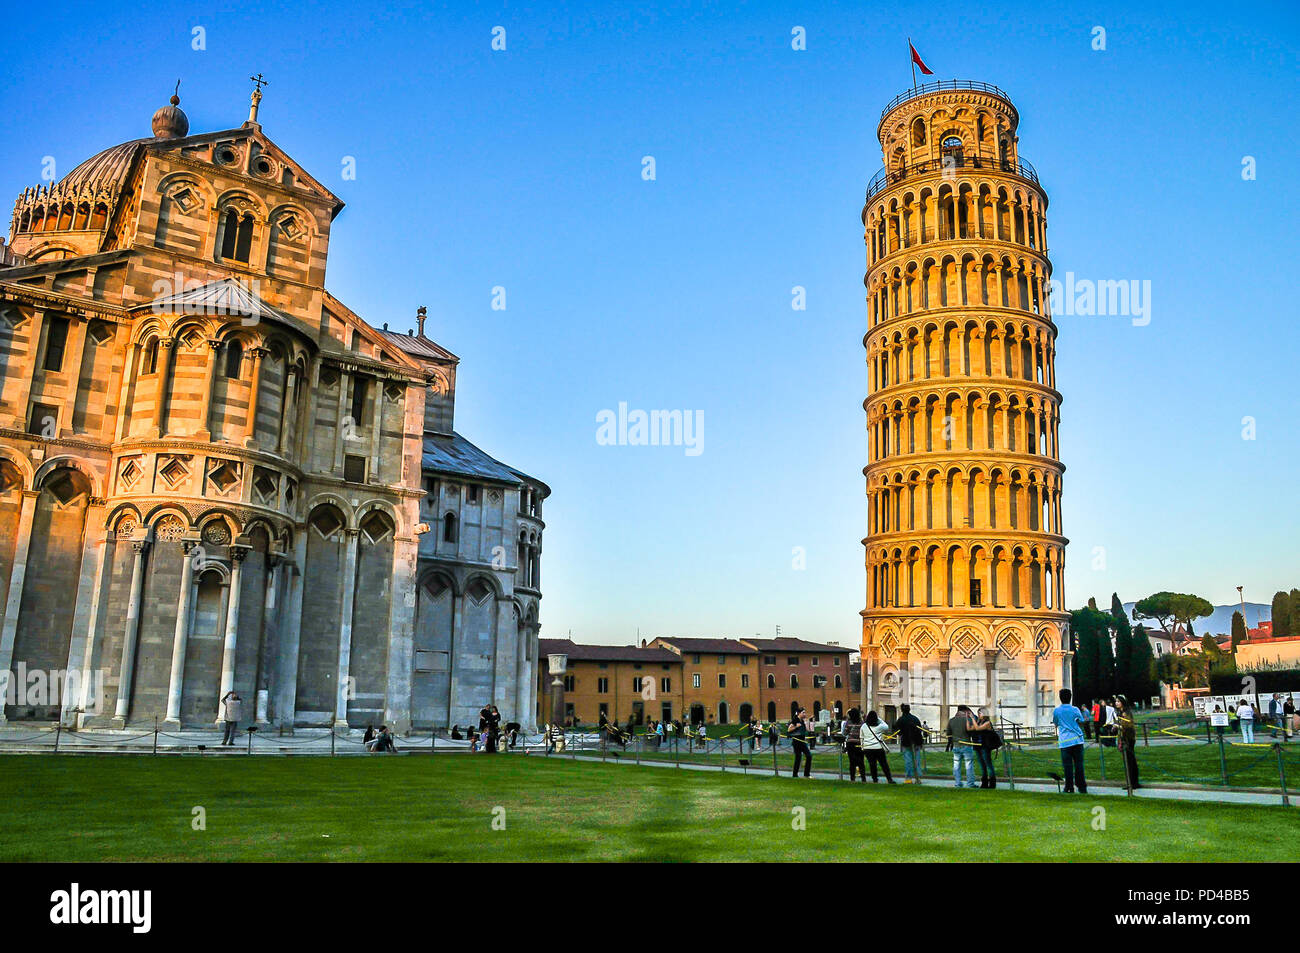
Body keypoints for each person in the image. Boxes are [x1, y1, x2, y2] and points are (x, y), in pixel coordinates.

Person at [1052, 688, 1088, 793]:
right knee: (1079, 764)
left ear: (1060, 698)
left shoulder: (1057, 710)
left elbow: (1056, 723)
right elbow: (1081, 721)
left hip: (1065, 741)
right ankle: (1082, 787)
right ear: (1070, 697)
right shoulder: (1075, 709)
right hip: (1077, 740)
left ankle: (1069, 787)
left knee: (1067, 766)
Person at [894, 703, 925, 784]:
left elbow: (898, 732)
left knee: (908, 761)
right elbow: (919, 730)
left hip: (906, 743)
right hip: (917, 742)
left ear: (901, 710)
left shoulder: (901, 720)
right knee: (917, 761)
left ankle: (908, 778)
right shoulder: (915, 719)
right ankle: (917, 778)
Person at [861, 709, 895, 783]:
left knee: (872, 765)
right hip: (878, 747)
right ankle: (889, 779)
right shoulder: (879, 726)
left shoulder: (864, 726)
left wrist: (862, 747)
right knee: (884, 764)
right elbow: (886, 726)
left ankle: (875, 779)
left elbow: (861, 737)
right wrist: (879, 719)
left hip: (867, 748)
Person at [947, 705, 977, 788]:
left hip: (956, 745)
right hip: (966, 744)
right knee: (969, 765)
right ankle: (970, 783)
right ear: (965, 711)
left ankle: (957, 783)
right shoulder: (967, 720)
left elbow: (948, 733)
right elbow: (971, 731)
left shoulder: (951, 720)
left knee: (956, 765)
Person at [1114, 695, 1140, 789]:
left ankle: (1133, 783)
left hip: (1128, 739)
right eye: (1116, 701)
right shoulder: (1120, 713)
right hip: (1124, 738)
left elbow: (1127, 726)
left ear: (1122, 702)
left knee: (1130, 761)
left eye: (1118, 701)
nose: (1116, 703)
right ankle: (1131, 782)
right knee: (1128, 761)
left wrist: (1117, 726)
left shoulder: (1126, 713)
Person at [969, 707, 998, 789]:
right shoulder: (978, 721)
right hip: (977, 746)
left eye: (980, 713)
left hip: (985, 746)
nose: (978, 715)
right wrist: (968, 720)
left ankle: (992, 784)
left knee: (988, 765)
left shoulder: (987, 723)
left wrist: (973, 719)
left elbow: (977, 729)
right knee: (982, 766)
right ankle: (984, 783)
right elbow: (970, 728)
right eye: (978, 713)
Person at [843, 708, 867, 781]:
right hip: (859, 743)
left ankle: (852, 778)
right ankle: (863, 778)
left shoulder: (848, 722)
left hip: (850, 743)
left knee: (852, 762)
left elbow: (845, 733)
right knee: (861, 761)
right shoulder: (861, 722)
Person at [788, 707, 812, 778]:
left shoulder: (802, 720)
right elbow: (789, 729)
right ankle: (795, 775)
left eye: (805, 712)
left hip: (802, 741)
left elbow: (807, 730)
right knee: (798, 758)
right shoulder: (795, 720)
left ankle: (806, 774)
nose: (804, 714)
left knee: (809, 756)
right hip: (797, 741)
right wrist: (796, 726)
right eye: (803, 712)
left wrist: (807, 722)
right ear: (799, 713)